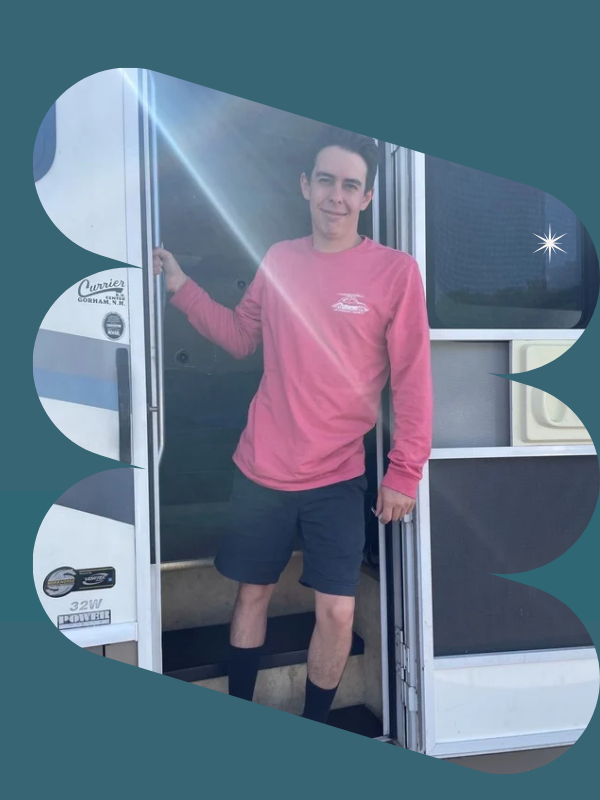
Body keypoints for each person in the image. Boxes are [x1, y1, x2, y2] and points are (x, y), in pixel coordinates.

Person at [153, 127, 432, 724]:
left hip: (338, 475)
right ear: (305, 186)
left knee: (335, 612)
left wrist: (404, 470)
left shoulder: (395, 273)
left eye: (351, 185)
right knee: (251, 594)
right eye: (326, 180)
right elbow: (239, 335)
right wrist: (180, 287)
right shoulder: (279, 259)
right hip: (262, 468)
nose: (337, 195)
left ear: (367, 199)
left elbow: (412, 378)